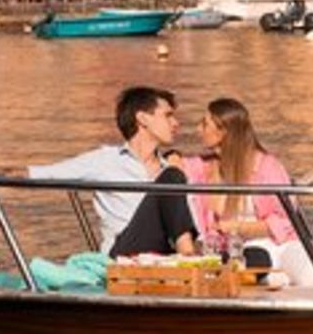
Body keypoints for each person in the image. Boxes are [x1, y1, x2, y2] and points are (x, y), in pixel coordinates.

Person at [182, 97, 313, 287]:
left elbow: (286, 221)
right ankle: (276, 277)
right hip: (241, 252)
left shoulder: (267, 167)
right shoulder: (201, 167)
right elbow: (168, 165)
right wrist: (171, 156)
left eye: (204, 124)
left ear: (223, 131)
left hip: (281, 244)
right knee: (253, 270)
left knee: (311, 280)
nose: (198, 129)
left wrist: (238, 226)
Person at [25, 86, 197, 258]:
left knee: (171, 178)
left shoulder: (170, 170)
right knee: (171, 178)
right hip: (124, 255)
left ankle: (186, 261)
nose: (176, 123)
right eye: (168, 115)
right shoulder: (106, 160)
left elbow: (187, 223)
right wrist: (1, 173)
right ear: (142, 119)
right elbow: (46, 174)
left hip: (161, 254)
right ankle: (188, 258)